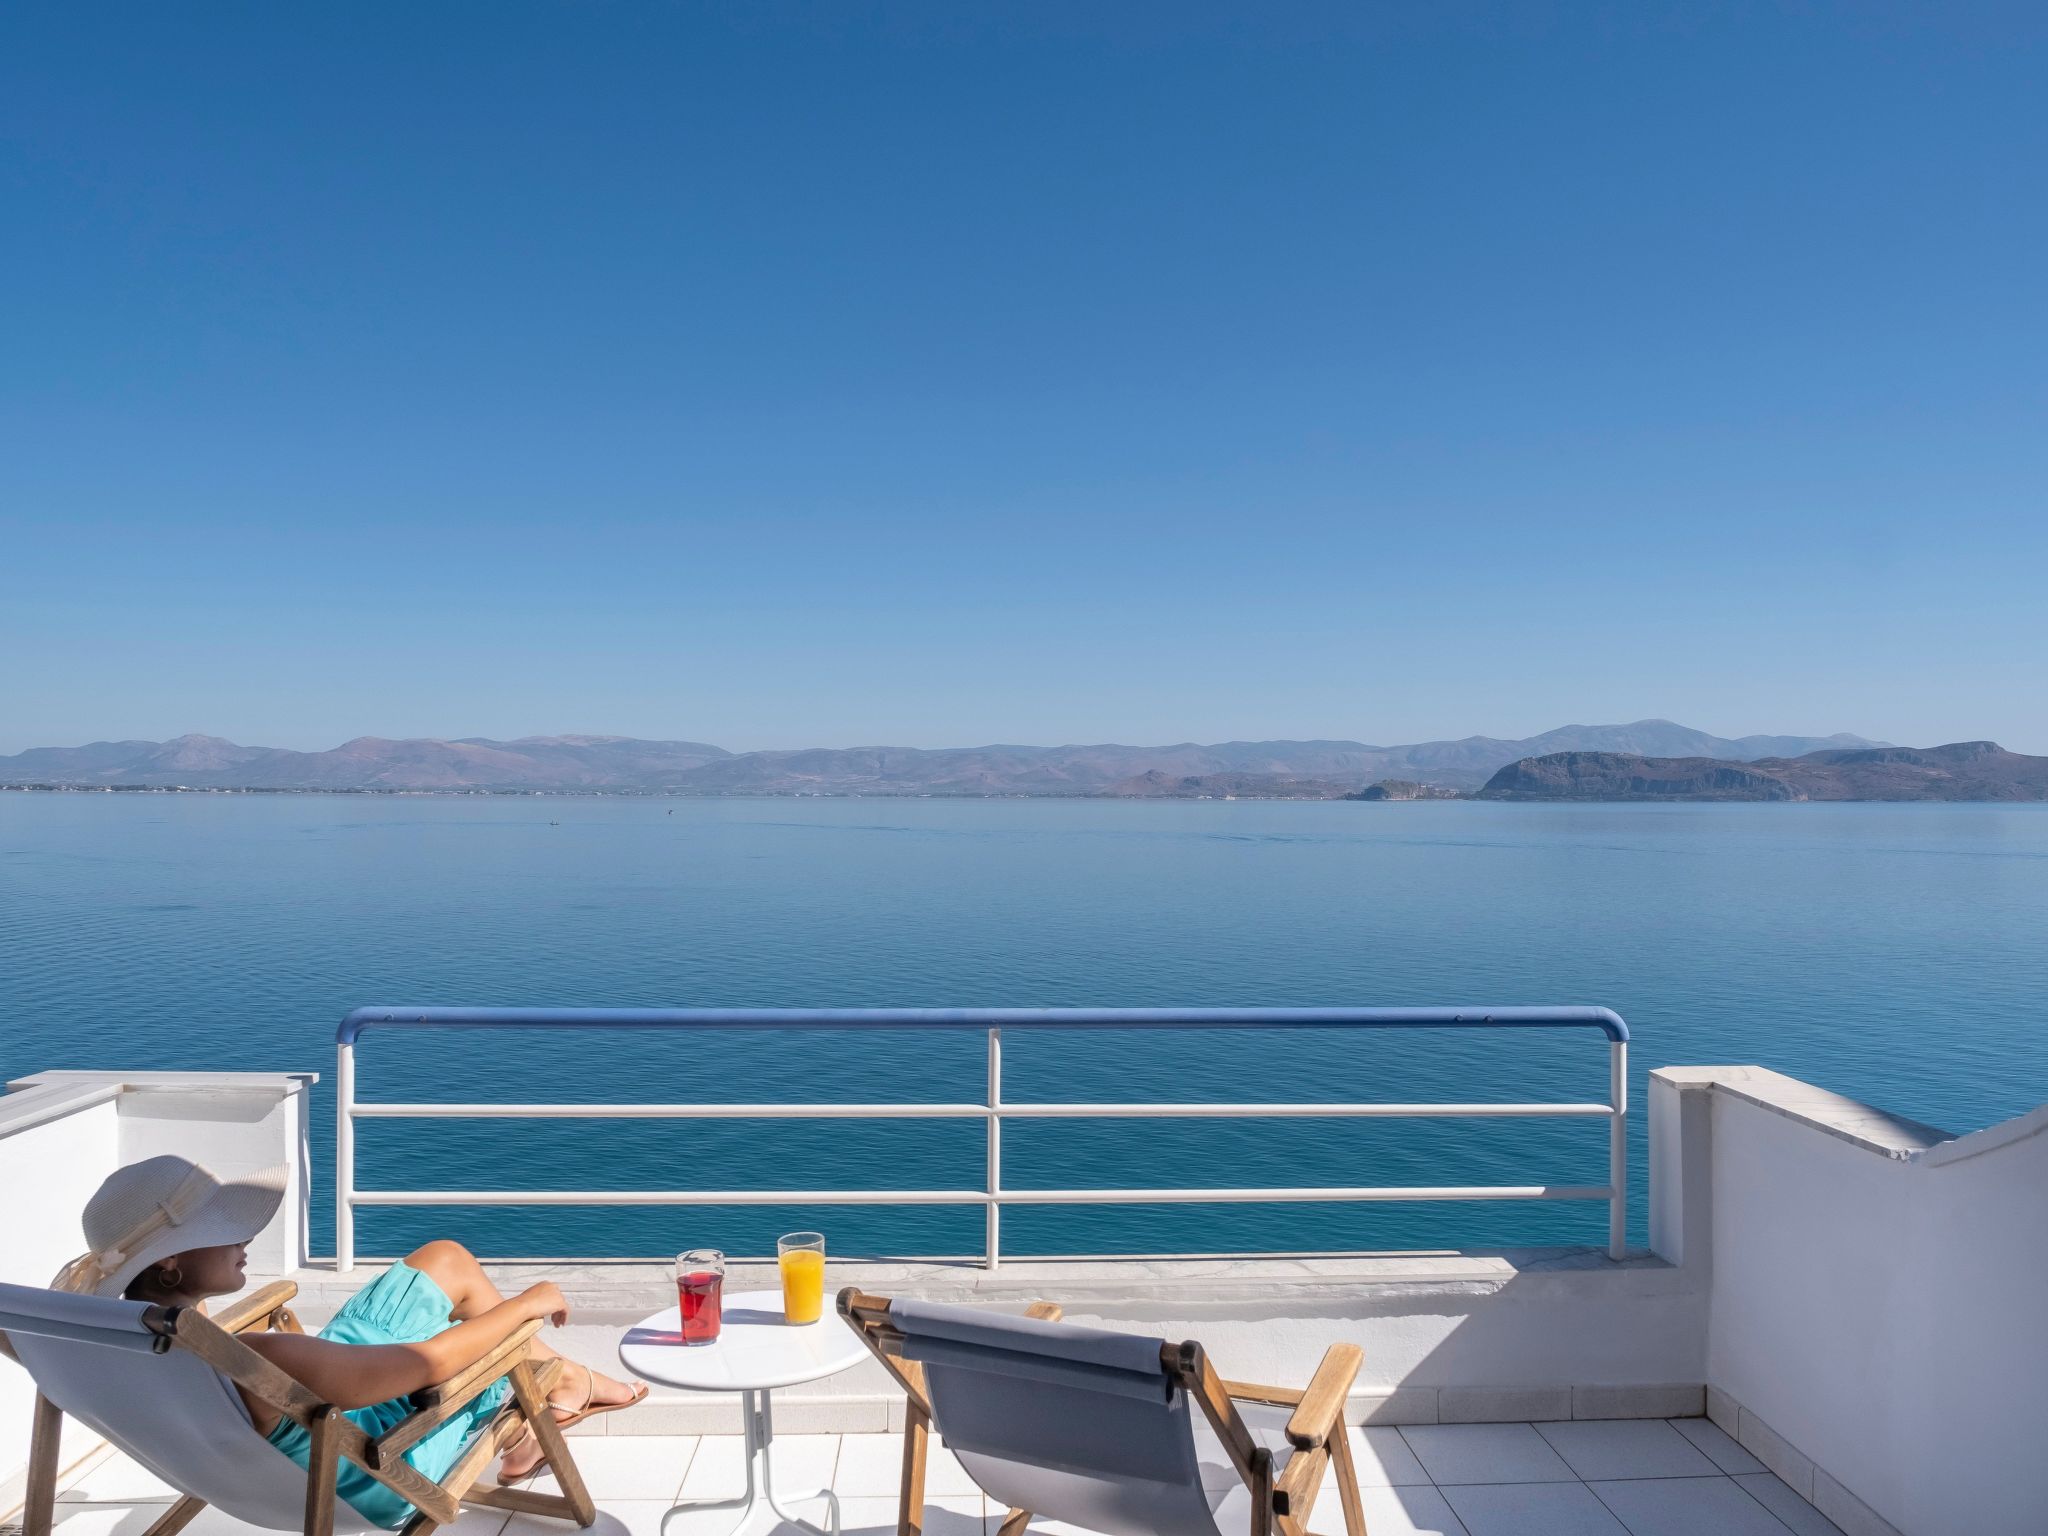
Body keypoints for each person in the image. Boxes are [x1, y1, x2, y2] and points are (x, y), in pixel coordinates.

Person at [52, 1155, 645, 1525]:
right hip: (375, 1468)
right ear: (172, 1264)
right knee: (489, 1341)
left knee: (443, 1260)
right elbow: (432, 1365)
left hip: (303, 1418)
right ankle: (554, 1390)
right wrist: (529, 1303)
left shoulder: (121, 1350)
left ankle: (565, 1381)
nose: (243, 1236)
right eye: (223, 1227)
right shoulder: (258, 1355)